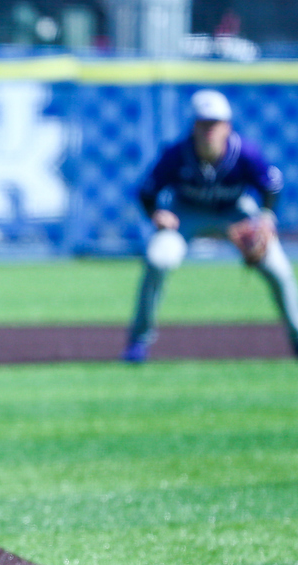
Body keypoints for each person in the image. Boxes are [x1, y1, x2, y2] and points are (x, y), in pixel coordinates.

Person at [123, 89, 298, 362]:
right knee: (157, 260)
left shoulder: (245, 153)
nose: (209, 130)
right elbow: (146, 191)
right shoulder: (176, 154)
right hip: (187, 213)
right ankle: (138, 343)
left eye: (215, 123)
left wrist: (265, 216)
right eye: (203, 123)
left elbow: (272, 185)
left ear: (227, 126)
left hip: (235, 211)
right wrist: (155, 213)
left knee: (278, 269)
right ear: (193, 126)